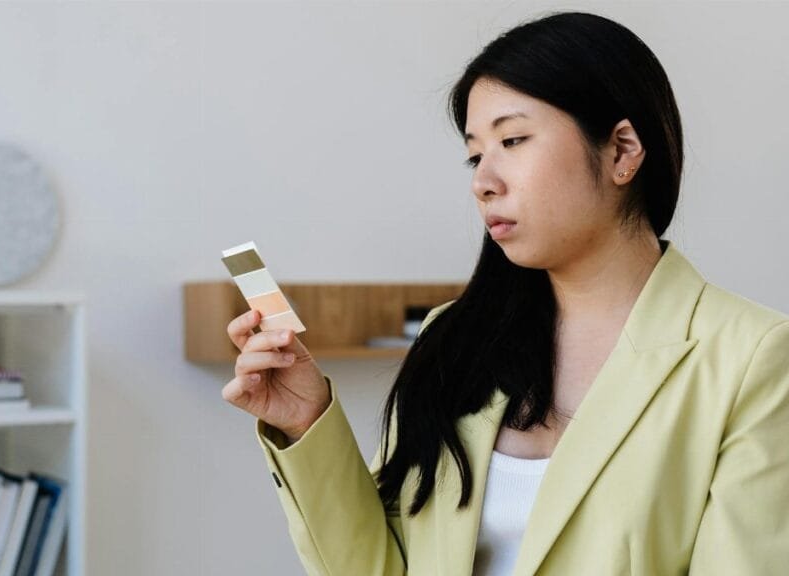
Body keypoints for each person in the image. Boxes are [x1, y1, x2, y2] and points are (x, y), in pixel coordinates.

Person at [222, 11, 789, 576]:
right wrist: (306, 420)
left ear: (622, 150)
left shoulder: (751, 358)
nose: (482, 181)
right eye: (475, 154)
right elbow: (376, 567)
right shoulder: (454, 337)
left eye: (512, 140)